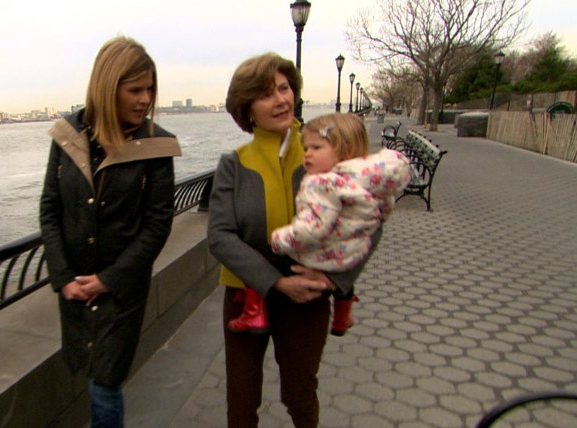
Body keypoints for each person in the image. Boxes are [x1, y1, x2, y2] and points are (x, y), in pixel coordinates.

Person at [208, 52, 383, 428]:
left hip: (309, 295)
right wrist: (275, 282)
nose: (281, 99)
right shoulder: (233, 164)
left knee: (300, 396)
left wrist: (335, 280)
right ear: (247, 109)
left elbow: (369, 218)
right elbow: (220, 236)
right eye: (266, 94)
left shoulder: (324, 151)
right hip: (246, 293)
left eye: (284, 88)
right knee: (241, 402)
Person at [39, 36, 181, 428]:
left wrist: (108, 280)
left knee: (105, 382)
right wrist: (63, 277)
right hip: (76, 289)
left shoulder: (155, 145)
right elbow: (50, 209)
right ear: (107, 87)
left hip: (120, 290)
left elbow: (157, 225)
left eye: (149, 89)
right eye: (135, 89)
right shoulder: (68, 137)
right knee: (91, 372)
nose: (145, 99)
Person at [270, 113, 410, 336]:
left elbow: (312, 228)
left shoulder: (320, 182)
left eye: (316, 147)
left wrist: (278, 240)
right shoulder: (368, 180)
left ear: (343, 149)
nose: (308, 154)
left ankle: (253, 307)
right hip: (353, 253)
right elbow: (383, 212)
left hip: (320, 259)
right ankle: (343, 317)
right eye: (306, 148)